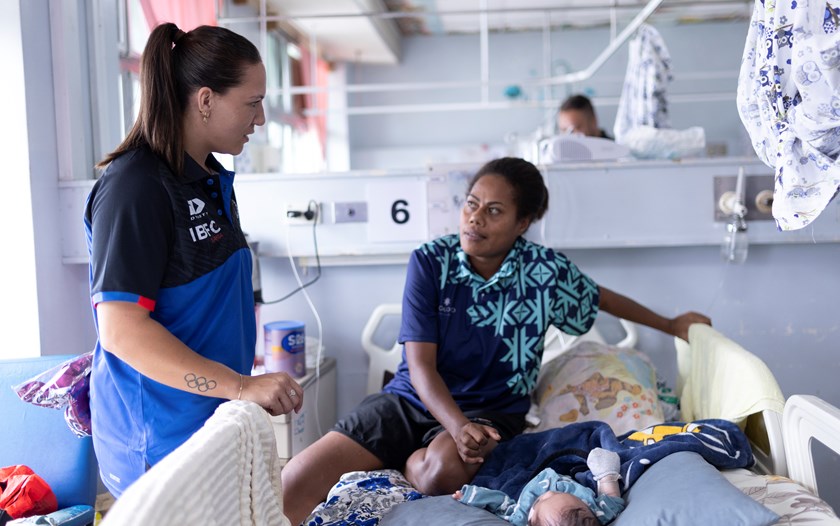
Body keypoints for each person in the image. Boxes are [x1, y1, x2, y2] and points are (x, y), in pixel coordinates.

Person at [281, 156, 709, 525]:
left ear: (523, 222)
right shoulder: (431, 262)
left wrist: (671, 323)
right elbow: (421, 367)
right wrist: (455, 425)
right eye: (471, 204)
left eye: (494, 211)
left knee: (439, 474)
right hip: (409, 398)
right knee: (294, 481)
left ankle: (412, 460)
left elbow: (600, 297)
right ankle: (413, 450)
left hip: (491, 408)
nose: (475, 218)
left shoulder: (544, 272)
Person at [85, 23, 302, 498]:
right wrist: (241, 386)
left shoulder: (207, 180)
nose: (261, 119)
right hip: (159, 440)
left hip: (210, 424)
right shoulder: (135, 188)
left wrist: (239, 389)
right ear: (205, 100)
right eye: (252, 102)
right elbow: (121, 330)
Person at [454, 448, 625, 526]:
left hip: (527, 480)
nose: (548, 491)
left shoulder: (519, 517)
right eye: (559, 493)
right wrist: (606, 474)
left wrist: (472, 495)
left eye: (541, 499)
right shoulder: (599, 513)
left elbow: (500, 502)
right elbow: (612, 498)